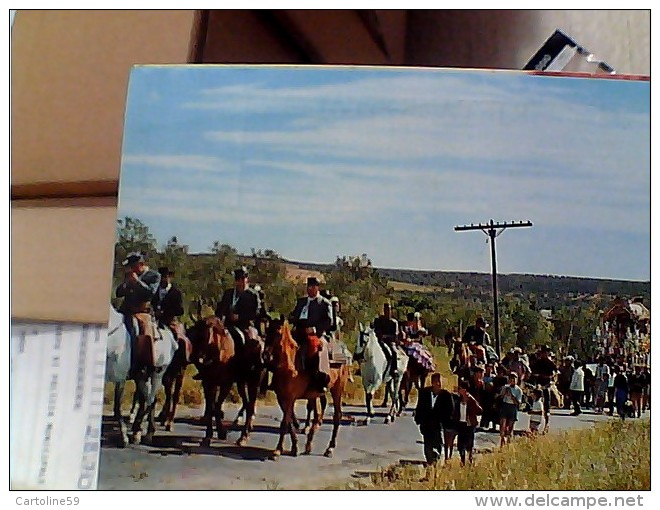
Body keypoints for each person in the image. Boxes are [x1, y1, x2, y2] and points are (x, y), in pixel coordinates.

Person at [115, 252, 161, 376]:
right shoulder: (129, 275)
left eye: (132, 265)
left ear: (140, 265)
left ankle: (146, 364)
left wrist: (137, 282)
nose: (130, 268)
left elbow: (150, 293)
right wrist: (126, 283)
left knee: (144, 332)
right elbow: (118, 293)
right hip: (126, 310)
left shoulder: (154, 276)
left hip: (142, 311)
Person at [289, 277, 333, 390]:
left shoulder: (324, 303)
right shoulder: (301, 301)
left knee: (314, 349)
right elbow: (294, 314)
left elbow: (328, 321)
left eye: (313, 287)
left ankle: (317, 378)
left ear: (317, 287)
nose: (310, 289)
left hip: (315, 334)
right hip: (299, 331)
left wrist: (315, 329)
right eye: (309, 287)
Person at [414, 373, 454, 467]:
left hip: (438, 425)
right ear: (432, 382)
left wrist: (445, 422)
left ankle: (435, 461)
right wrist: (418, 419)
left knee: (437, 443)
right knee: (427, 444)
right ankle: (429, 461)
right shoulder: (424, 393)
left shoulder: (446, 395)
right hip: (426, 424)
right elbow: (419, 407)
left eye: (440, 382)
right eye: (436, 382)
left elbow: (450, 410)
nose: (438, 384)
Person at [456, 379, 483, 466]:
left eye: (460, 388)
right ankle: (462, 460)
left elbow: (479, 410)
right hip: (461, 423)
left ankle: (470, 458)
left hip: (470, 424)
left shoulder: (471, 399)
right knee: (460, 444)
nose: (459, 390)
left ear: (464, 390)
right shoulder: (458, 399)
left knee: (469, 443)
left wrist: (472, 406)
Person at [530, 346, 557, 430]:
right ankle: (534, 424)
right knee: (534, 403)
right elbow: (532, 373)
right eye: (543, 352)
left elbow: (555, 374)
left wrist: (551, 379)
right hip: (538, 385)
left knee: (546, 404)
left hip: (547, 385)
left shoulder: (550, 363)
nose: (544, 354)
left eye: (546, 352)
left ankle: (546, 424)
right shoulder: (537, 362)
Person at [372, 302, 400, 379]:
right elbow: (375, 329)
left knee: (393, 352)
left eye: (389, 309)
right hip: (378, 341)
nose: (388, 311)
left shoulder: (394, 322)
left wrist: (385, 336)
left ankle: (394, 369)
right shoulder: (378, 320)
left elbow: (395, 335)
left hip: (389, 342)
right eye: (386, 309)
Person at [499, 372, 523, 447]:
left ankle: (509, 440)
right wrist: (504, 393)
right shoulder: (505, 387)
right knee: (502, 424)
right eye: (510, 378)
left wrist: (512, 396)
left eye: (514, 378)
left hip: (512, 407)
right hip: (505, 405)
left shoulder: (518, 390)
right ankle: (502, 440)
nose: (512, 380)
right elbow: (500, 397)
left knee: (510, 426)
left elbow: (518, 403)